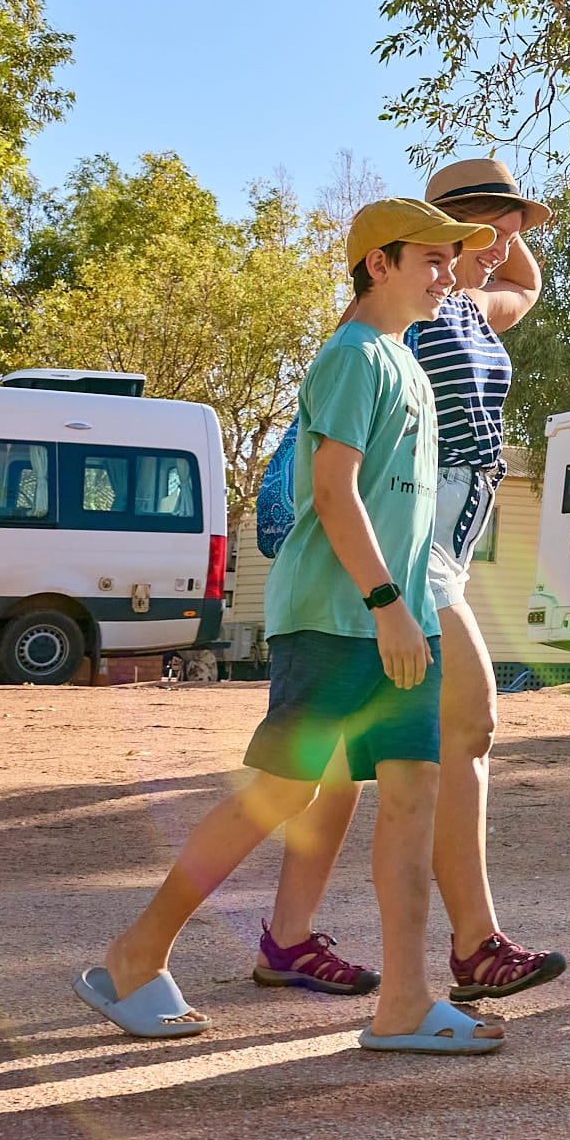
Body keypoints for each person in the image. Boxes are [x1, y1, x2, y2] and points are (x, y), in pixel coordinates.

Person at [76, 199, 504, 1053]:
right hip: (338, 621)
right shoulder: (351, 359)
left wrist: (409, 612)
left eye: (453, 259)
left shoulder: (405, 361)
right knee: (280, 793)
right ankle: (133, 957)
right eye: (431, 258)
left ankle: (406, 1005)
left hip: (397, 623)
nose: (448, 274)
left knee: (415, 797)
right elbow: (336, 492)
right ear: (377, 263)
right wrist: (388, 608)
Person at [258, 158, 565, 1004]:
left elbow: (529, 287)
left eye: (508, 227)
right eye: (482, 224)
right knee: (467, 726)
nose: (502, 242)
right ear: (434, 234)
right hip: (408, 546)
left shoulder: (471, 306)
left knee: (331, 767)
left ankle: (287, 938)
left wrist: (511, 230)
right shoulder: (414, 313)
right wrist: (462, 233)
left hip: (448, 548)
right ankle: (475, 944)